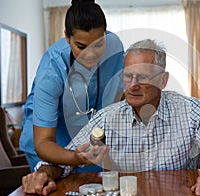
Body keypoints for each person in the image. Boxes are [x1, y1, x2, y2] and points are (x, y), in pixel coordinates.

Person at [22, 39, 200, 196]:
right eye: (127, 77)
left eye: (142, 77)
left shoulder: (191, 111)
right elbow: (63, 162)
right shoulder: (106, 120)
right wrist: (43, 175)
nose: (132, 86)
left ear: (162, 81)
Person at [19, 0, 124, 172]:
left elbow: (115, 99)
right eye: (81, 46)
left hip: (87, 139)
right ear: (67, 37)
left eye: (98, 44)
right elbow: (44, 142)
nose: (91, 55)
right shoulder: (52, 68)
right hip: (49, 142)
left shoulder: (115, 48)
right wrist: (73, 158)